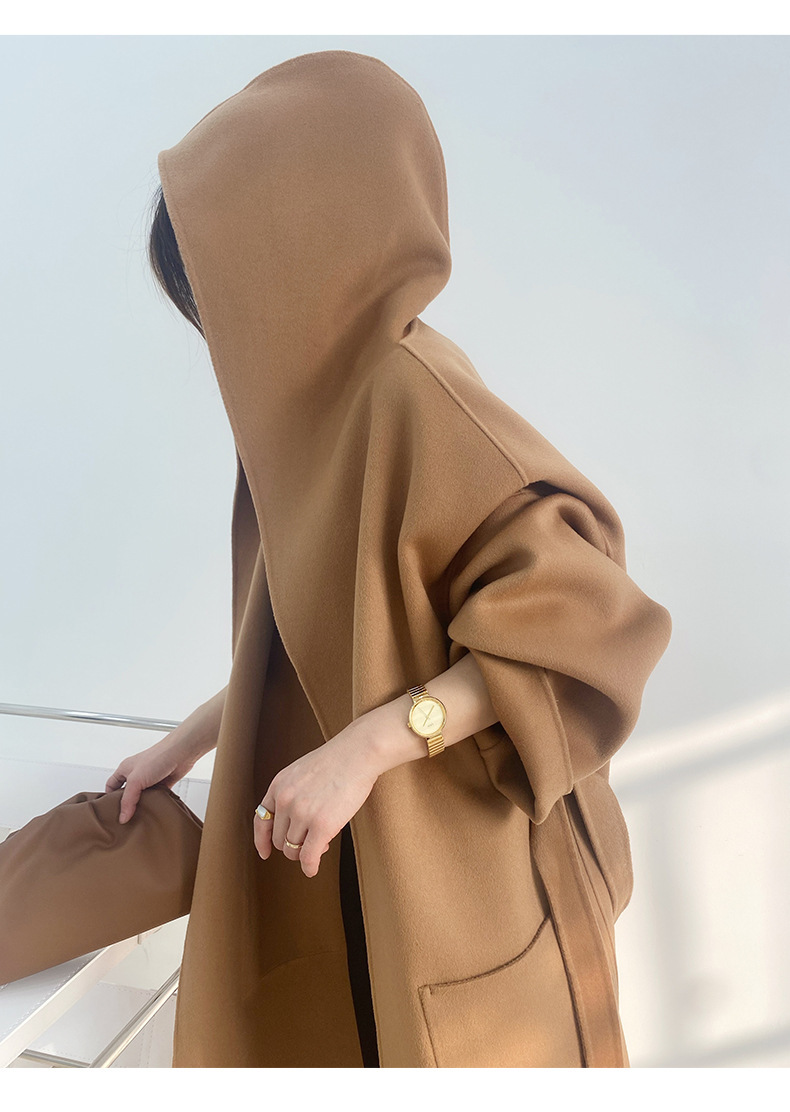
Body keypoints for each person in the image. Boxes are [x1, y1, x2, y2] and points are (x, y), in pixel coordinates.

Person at [105, 50, 672, 1068]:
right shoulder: (314, 419)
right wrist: (190, 738)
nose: (214, 312)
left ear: (303, 238)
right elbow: (328, 634)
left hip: (471, 872)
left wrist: (367, 748)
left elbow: (589, 623)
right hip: (375, 873)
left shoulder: (409, 393)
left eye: (225, 267)